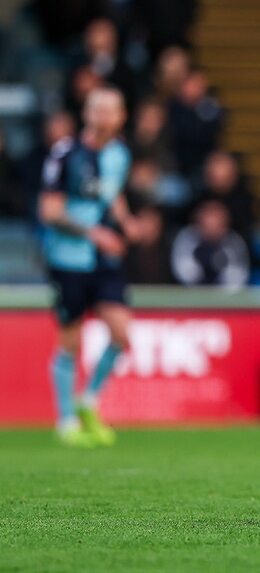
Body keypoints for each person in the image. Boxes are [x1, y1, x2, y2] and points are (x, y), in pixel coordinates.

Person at [38, 86, 136, 448]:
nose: (103, 116)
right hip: (69, 260)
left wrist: (126, 221)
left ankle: (88, 400)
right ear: (87, 114)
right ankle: (66, 421)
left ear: (121, 117)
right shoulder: (65, 154)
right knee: (70, 340)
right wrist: (95, 234)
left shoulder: (119, 154)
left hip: (104, 261)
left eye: (110, 110)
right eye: (97, 109)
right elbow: (48, 211)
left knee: (122, 333)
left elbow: (113, 194)